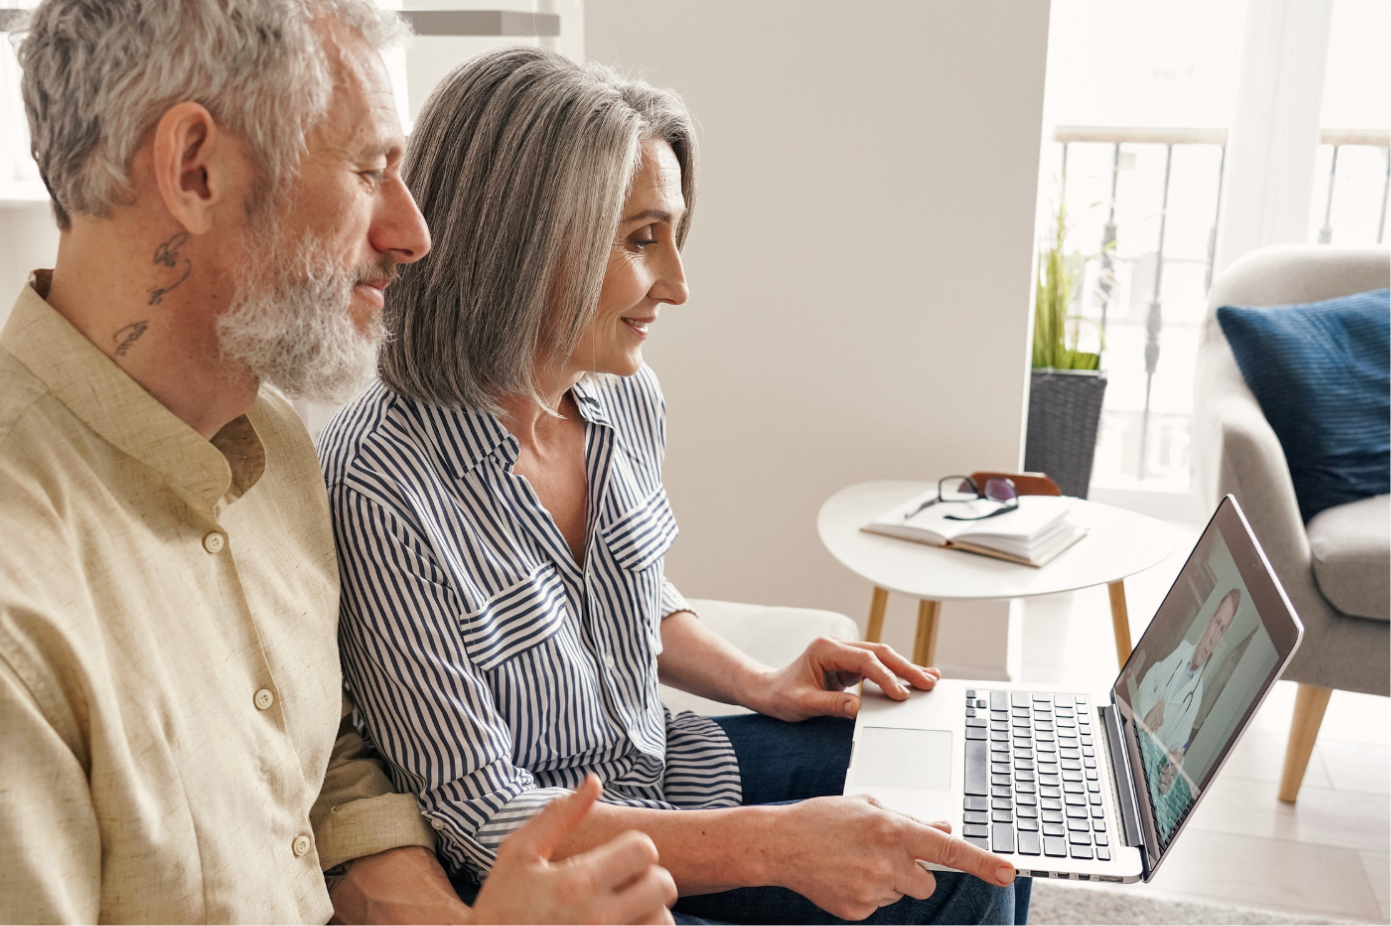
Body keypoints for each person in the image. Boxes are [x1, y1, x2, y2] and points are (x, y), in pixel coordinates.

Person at [320, 46, 1028, 926]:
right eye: (642, 239)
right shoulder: (379, 484)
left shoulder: (625, 397)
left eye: (673, 236)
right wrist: (780, 844)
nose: (680, 286)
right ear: (527, 244)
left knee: (982, 819)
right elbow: (483, 819)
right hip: (549, 877)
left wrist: (759, 683)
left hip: (664, 775)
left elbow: (630, 587)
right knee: (936, 869)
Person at [1, 3, 676, 924]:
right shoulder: (20, 618)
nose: (413, 233)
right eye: (369, 172)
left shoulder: (277, 451)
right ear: (195, 170)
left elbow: (326, 779)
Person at [1130, 587, 1241, 798]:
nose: (1214, 638)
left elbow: (1182, 742)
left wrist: (1179, 757)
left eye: (1222, 630)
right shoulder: (1181, 650)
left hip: (1143, 765)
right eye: (1217, 623)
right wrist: (1154, 705)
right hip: (1130, 731)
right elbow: (1151, 675)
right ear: (1210, 621)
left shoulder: (1195, 696)